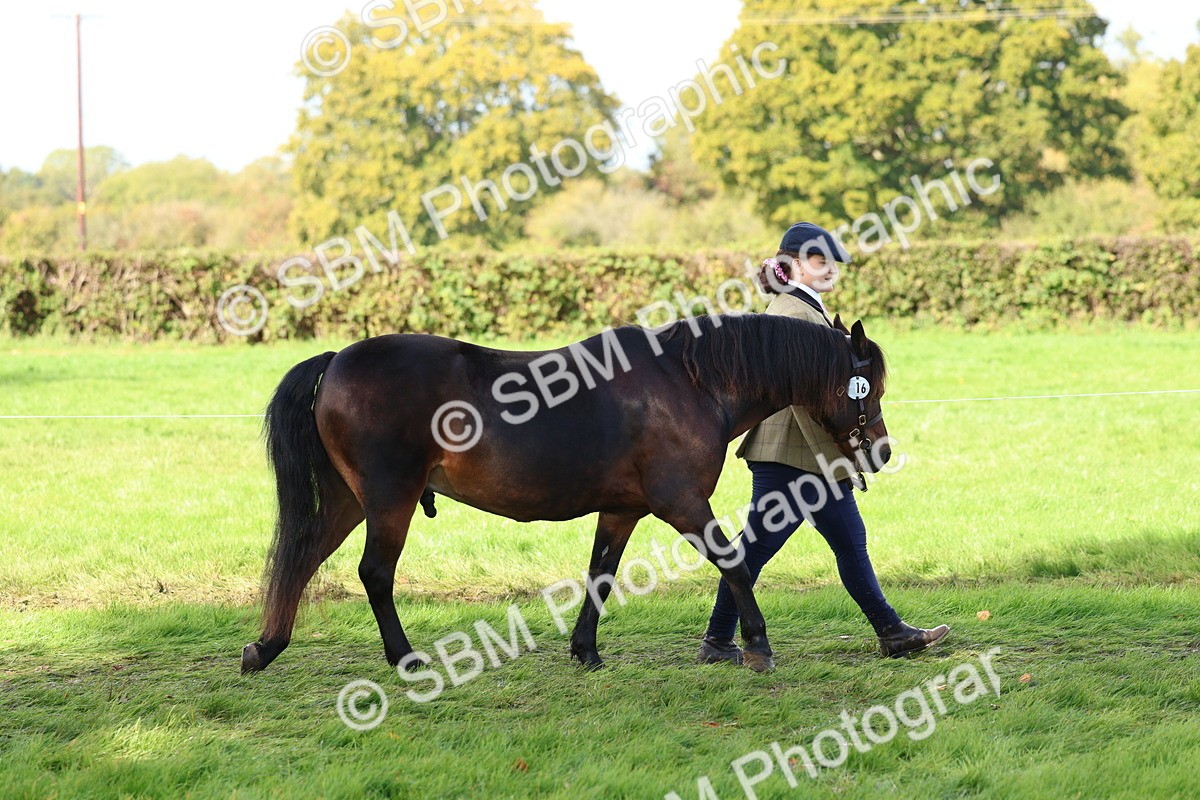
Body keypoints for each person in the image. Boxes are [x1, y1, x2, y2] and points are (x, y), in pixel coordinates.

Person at [698, 222, 949, 664]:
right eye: (819, 261)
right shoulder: (791, 314)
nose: (829, 269)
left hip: (806, 455)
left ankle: (890, 631)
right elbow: (799, 401)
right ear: (791, 265)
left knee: (844, 541)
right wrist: (842, 456)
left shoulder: (806, 310)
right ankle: (718, 641)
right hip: (791, 453)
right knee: (757, 548)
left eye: (831, 262)